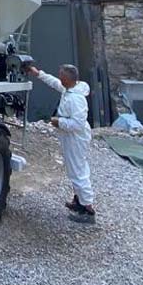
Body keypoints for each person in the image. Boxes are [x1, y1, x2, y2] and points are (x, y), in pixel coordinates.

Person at [26, 63, 96, 223]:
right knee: (75, 169)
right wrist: (38, 74)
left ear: (68, 79)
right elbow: (54, 83)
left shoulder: (77, 99)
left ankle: (88, 209)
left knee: (78, 171)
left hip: (75, 138)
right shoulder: (70, 89)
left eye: (61, 76)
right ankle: (79, 200)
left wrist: (59, 122)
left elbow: (77, 124)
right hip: (70, 137)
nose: (59, 78)